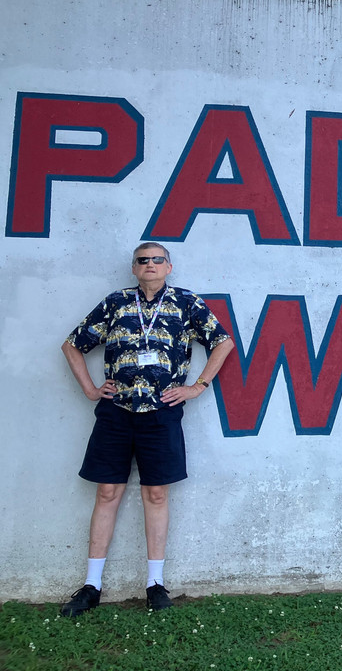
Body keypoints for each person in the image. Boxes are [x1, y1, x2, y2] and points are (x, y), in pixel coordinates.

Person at [58, 242, 234, 616]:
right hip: (116, 412)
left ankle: (155, 584)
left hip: (161, 414)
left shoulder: (187, 303)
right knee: (108, 492)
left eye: (157, 260)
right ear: (134, 268)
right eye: (143, 260)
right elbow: (72, 345)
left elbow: (223, 342)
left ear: (169, 267)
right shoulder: (116, 303)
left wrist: (196, 387)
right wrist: (91, 390)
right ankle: (92, 585)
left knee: (156, 494)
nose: (150, 265)